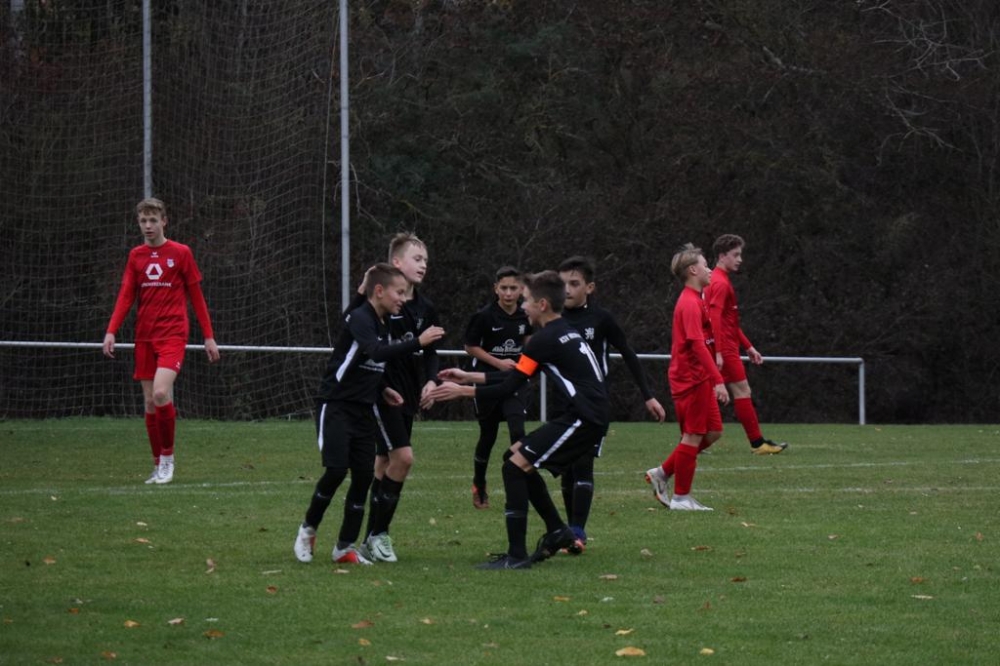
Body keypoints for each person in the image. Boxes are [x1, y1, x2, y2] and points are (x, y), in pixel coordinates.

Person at [428, 270, 609, 570]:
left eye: (526, 299)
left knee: (514, 467)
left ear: (542, 305)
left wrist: (462, 391)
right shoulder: (560, 330)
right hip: (584, 414)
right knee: (513, 458)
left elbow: (508, 387)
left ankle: (516, 555)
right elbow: (515, 376)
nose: (522, 306)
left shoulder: (544, 339)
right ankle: (557, 531)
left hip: (585, 418)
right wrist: (468, 375)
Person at [293, 264, 445, 565]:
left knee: (363, 477)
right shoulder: (362, 317)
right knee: (336, 471)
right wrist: (418, 342)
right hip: (336, 405)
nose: (402, 298)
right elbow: (375, 351)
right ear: (379, 291)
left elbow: (372, 364)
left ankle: (344, 547)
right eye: (398, 292)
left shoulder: (383, 321)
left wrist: (383, 388)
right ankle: (308, 529)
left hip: (364, 407)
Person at [103, 197, 220, 485]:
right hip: (144, 336)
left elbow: (196, 297)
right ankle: (157, 465)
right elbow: (126, 296)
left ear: (164, 222)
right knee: (148, 402)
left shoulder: (180, 253)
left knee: (159, 393)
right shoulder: (136, 256)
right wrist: (111, 330)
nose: (148, 225)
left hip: (173, 335)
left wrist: (208, 337)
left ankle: (168, 459)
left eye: (153, 220)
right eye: (143, 220)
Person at [556, 256, 666, 551]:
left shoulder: (601, 319)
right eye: (562, 283)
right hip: (562, 403)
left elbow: (628, 353)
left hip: (593, 404)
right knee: (566, 468)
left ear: (589, 287)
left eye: (574, 283)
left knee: (583, 463)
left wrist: (648, 395)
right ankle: (570, 531)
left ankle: (577, 532)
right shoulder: (553, 318)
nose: (567, 289)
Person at [359, 233, 442, 564]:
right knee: (403, 458)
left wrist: (431, 381)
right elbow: (372, 349)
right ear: (396, 263)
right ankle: (378, 535)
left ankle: (368, 538)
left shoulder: (425, 308)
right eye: (416, 259)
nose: (423, 265)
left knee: (384, 463)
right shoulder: (380, 305)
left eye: (426, 260)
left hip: (407, 395)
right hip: (383, 394)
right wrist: (381, 386)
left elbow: (431, 351)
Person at [645, 244, 729, 511]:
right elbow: (696, 345)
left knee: (713, 432)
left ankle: (662, 473)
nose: (710, 269)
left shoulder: (698, 298)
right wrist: (718, 379)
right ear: (693, 270)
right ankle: (681, 498)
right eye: (705, 265)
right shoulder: (689, 302)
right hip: (690, 379)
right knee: (692, 436)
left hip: (701, 377)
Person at [704, 234, 787, 455]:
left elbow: (729, 322)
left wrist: (748, 346)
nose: (740, 259)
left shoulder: (716, 279)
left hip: (725, 345)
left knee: (707, 392)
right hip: (725, 348)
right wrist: (719, 351)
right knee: (742, 391)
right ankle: (758, 443)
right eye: (736, 255)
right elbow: (714, 318)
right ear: (722, 256)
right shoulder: (720, 283)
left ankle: (691, 438)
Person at [462, 266, 533, 510]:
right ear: (496, 288)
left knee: (517, 430)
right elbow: (470, 346)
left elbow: (529, 343)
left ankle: (520, 485)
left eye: (513, 288)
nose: (508, 293)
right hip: (487, 379)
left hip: (515, 381)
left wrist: (526, 364)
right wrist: (498, 363)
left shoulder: (526, 316)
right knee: (488, 436)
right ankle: (479, 483)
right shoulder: (484, 316)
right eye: (504, 288)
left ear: (521, 289)